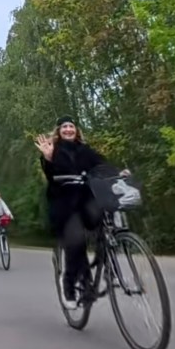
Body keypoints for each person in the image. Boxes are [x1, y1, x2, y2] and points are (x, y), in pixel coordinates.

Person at [35, 115, 128, 307]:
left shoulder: (85, 150)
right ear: (59, 131)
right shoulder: (55, 150)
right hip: (64, 202)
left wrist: (118, 173)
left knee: (106, 215)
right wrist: (48, 158)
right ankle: (68, 285)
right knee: (76, 242)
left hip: (86, 199)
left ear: (76, 130)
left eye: (71, 126)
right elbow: (50, 175)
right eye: (64, 127)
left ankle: (107, 261)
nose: (68, 129)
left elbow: (101, 165)